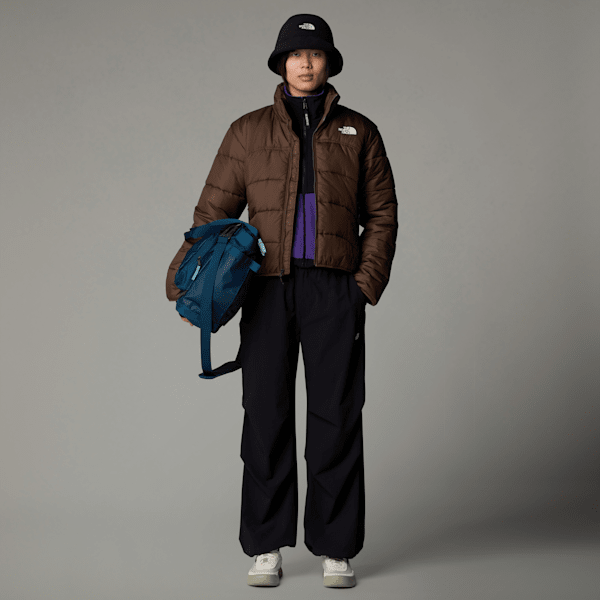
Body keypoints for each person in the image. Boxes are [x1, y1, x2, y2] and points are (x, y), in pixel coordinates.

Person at [165, 13, 398, 588]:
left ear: (329, 63)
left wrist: (363, 286)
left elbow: (382, 215)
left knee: (336, 417)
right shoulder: (247, 132)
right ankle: (265, 545)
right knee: (265, 415)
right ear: (280, 63)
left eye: (315, 54)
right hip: (267, 289)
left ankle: (336, 548)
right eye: (295, 54)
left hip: (334, 289)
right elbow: (211, 214)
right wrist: (186, 279)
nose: (305, 63)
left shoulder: (361, 131)